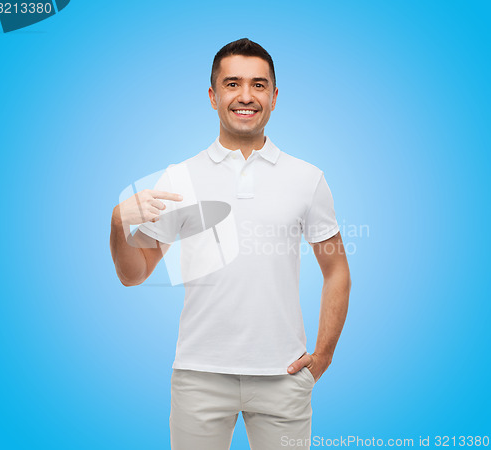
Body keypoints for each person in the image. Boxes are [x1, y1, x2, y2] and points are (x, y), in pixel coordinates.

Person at [110, 38, 351, 450]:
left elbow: (336, 270)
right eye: (232, 83)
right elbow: (134, 275)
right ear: (213, 95)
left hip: (284, 378)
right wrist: (118, 222)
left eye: (258, 85)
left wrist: (323, 355)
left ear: (274, 97)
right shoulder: (179, 177)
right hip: (198, 376)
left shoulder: (307, 179)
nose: (245, 96)